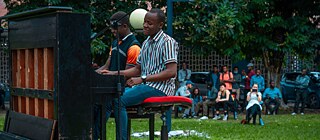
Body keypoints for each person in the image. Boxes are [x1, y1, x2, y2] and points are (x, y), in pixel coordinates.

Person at [102, 9, 179, 140]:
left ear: (160, 25)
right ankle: (96, 136)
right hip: (146, 86)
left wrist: (142, 79)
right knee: (107, 100)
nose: (145, 26)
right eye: (144, 22)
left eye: (149, 23)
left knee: (119, 101)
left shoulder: (167, 42)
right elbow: (138, 69)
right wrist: (113, 73)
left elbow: (171, 72)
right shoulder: (146, 43)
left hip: (160, 89)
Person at [93, 11, 141, 139]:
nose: (113, 31)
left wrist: (111, 74)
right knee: (93, 101)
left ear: (125, 26)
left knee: (108, 102)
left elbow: (131, 72)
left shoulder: (134, 46)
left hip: (122, 88)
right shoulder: (115, 43)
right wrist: (94, 73)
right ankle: (94, 135)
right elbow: (106, 66)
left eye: (115, 27)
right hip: (110, 85)